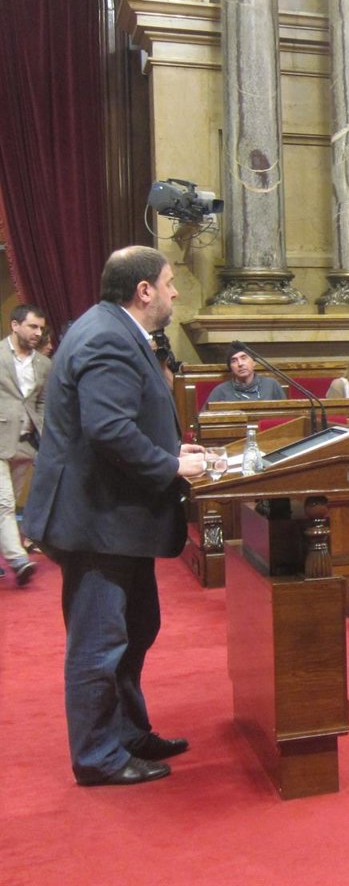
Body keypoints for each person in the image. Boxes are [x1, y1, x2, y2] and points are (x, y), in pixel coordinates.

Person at [25, 245, 207, 786]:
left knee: (135, 627)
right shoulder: (107, 334)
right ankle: (98, 756)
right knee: (100, 644)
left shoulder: (110, 327)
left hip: (114, 519)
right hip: (96, 522)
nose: (175, 292)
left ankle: (127, 732)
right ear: (143, 290)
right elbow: (109, 430)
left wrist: (175, 455)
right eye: (170, 282)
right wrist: (172, 465)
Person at [0, 304, 49, 586]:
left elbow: (43, 401)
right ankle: (18, 559)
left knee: (6, 502)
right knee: (4, 503)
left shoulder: (44, 364)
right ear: (15, 325)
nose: (38, 333)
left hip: (26, 442)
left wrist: (39, 425)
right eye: (32, 326)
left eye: (40, 328)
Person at [205, 347, 286, 406]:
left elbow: (287, 416)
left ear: (254, 362)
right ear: (230, 368)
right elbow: (204, 420)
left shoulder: (271, 385)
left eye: (244, 358)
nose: (240, 364)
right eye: (234, 361)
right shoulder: (220, 391)